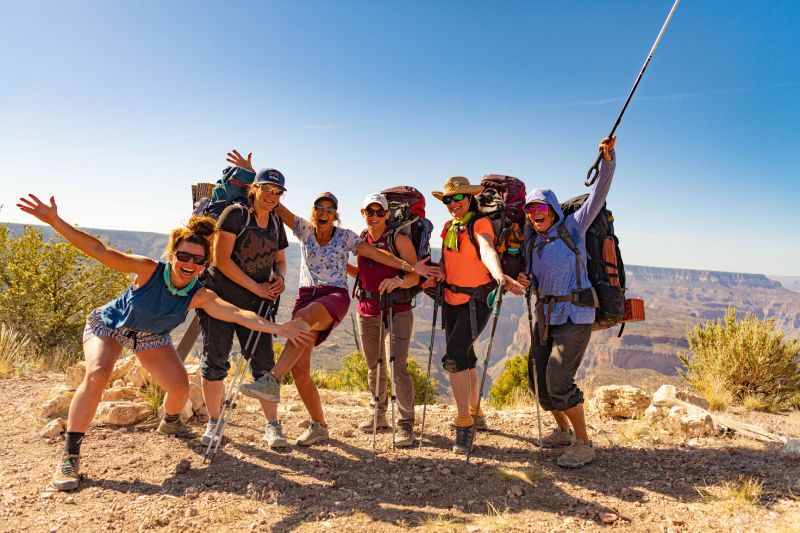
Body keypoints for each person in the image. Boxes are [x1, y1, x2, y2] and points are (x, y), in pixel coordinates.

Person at [16, 194, 313, 491]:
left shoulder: (200, 294)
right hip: (110, 327)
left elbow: (238, 314)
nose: (189, 264)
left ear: (203, 265)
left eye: (198, 260)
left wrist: (280, 329)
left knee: (180, 388)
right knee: (97, 374)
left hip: (151, 337)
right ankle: (70, 457)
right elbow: (100, 250)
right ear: (171, 255)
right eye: (183, 256)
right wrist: (56, 222)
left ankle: (170, 422)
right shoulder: (149, 270)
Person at [224, 150, 437, 446]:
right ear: (313, 212)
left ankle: (272, 380)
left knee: (301, 321)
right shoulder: (304, 230)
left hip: (333, 297)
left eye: (330, 209)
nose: (324, 212)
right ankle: (319, 425)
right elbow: (273, 200)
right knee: (300, 370)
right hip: (306, 296)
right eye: (319, 208)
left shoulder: (346, 236)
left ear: (335, 214)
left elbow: (376, 253)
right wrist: (252, 173)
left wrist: (408, 267)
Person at [518, 137, 617, 468]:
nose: (535, 215)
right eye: (530, 210)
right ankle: (562, 431)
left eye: (540, 209)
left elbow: (599, 193)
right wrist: (524, 281)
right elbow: (532, 278)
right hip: (545, 316)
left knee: (559, 378)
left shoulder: (573, 228)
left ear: (553, 209)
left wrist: (608, 160)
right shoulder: (534, 244)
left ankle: (583, 443)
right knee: (538, 381)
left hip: (575, 313)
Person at [423, 177, 525, 454]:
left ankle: (463, 422)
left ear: (470, 199)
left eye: (457, 199)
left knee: (454, 357)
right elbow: (448, 260)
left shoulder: (479, 224)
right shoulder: (448, 228)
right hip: (451, 299)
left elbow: (487, 249)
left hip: (476, 301)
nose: (452, 204)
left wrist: (499, 274)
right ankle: (475, 411)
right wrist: (440, 273)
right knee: (467, 358)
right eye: (447, 200)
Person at [198, 167, 292, 449]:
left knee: (264, 364)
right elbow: (221, 259)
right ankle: (214, 422)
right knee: (216, 359)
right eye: (267, 189)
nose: (272, 196)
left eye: (277, 192)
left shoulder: (276, 223)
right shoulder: (236, 214)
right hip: (221, 300)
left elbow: (281, 261)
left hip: (259, 303)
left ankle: (272, 425)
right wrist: (257, 288)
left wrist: (280, 279)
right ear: (255, 188)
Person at [347, 193, 419, 447]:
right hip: (367, 308)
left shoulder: (398, 239)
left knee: (398, 366)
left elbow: (415, 274)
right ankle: (378, 415)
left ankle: (405, 423)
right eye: (370, 212)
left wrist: (398, 281)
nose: (375, 216)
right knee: (374, 365)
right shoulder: (360, 241)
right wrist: (341, 265)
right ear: (363, 213)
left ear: (387, 214)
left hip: (397, 309)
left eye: (380, 212)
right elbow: (364, 273)